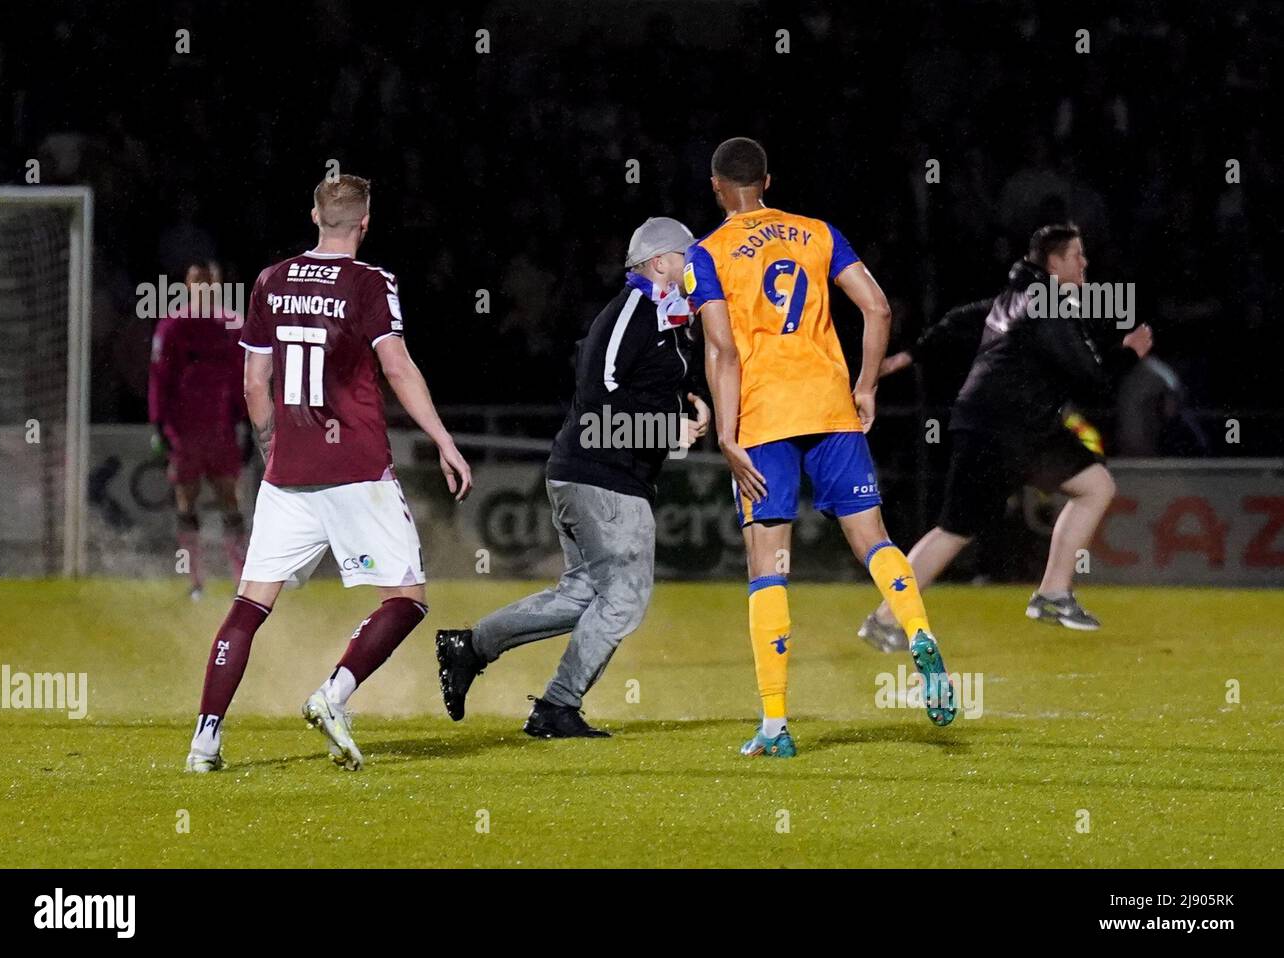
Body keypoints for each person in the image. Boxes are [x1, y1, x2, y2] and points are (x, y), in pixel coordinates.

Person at [184, 174, 472, 772]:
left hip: (288, 470)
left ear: (314, 214)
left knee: (249, 605)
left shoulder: (270, 279)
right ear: (365, 223)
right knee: (408, 598)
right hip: (357, 466)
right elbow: (396, 365)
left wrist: (271, 448)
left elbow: (253, 384)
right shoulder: (371, 282)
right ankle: (333, 695)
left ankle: (205, 741)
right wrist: (443, 439)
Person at [688, 137, 957, 759]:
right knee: (876, 540)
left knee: (768, 566)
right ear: (768, 181)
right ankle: (916, 631)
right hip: (830, 406)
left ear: (716, 186)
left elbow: (723, 351)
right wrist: (864, 387)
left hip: (763, 417)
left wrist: (726, 434)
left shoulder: (708, 254)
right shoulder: (817, 233)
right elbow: (878, 307)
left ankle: (777, 725)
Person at [434, 218, 710, 738]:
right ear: (657, 263)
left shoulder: (663, 315)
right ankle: (557, 707)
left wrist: (685, 404)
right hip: (602, 477)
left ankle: (470, 646)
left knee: (581, 596)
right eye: (685, 257)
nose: (694, 266)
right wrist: (668, 426)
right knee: (624, 597)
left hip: (592, 474)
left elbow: (638, 383)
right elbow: (599, 395)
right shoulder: (637, 309)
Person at [860, 224, 1153, 651]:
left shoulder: (1015, 299)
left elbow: (962, 320)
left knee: (957, 528)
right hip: (1011, 427)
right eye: (1077, 255)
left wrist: (912, 353)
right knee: (1089, 488)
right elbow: (1091, 378)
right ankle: (1050, 595)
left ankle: (887, 619)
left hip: (993, 423)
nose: (1084, 263)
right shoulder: (1048, 303)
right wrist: (1127, 353)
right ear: (1054, 262)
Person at [147, 261, 247, 599]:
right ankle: (195, 582)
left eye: (208, 281)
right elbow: (159, 378)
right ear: (188, 285)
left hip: (221, 431)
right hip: (185, 431)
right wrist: (159, 424)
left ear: (217, 284)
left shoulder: (233, 326)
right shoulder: (173, 327)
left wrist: (247, 422)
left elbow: (244, 380)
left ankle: (240, 579)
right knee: (186, 501)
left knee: (230, 499)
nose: (203, 286)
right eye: (196, 281)